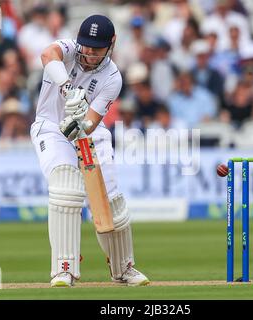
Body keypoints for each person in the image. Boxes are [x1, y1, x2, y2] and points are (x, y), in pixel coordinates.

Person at [30, 15, 149, 287]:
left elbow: (92, 123)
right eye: (86, 46)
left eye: (96, 49)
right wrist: (69, 89)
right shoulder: (69, 49)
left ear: (111, 45)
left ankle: (124, 268)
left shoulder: (113, 77)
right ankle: (64, 269)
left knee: (112, 199)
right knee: (66, 186)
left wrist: (79, 121)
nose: (89, 53)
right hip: (50, 127)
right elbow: (48, 54)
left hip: (88, 133)